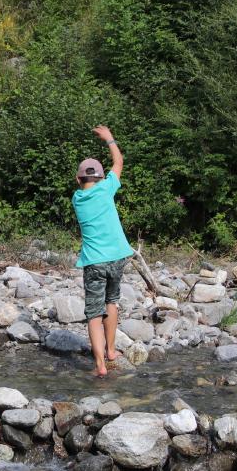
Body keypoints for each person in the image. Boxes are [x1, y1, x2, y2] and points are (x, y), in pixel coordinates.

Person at [71, 125, 134, 378]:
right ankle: (111, 350)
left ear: (79, 180)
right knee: (112, 301)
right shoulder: (107, 188)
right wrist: (109, 139)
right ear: (99, 178)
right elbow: (118, 162)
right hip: (117, 258)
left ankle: (100, 365)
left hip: (94, 262)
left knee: (94, 313)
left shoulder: (77, 198)